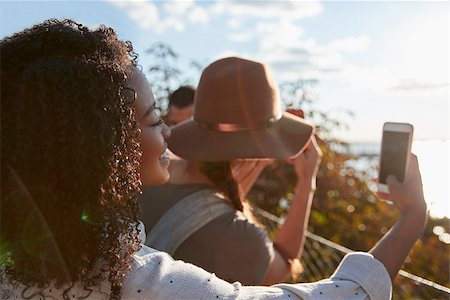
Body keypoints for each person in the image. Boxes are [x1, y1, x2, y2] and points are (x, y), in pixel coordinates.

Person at [1, 19, 427, 300]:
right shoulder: (143, 279)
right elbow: (318, 288)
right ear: (102, 144)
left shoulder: (36, 252)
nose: (167, 132)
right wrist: (409, 217)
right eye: (154, 121)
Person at [139, 57, 322, 285]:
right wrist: (306, 183)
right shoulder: (237, 236)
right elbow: (282, 265)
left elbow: (210, 200)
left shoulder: (145, 179)